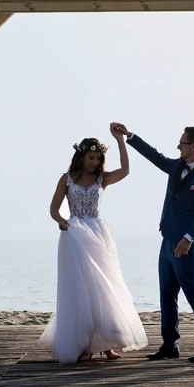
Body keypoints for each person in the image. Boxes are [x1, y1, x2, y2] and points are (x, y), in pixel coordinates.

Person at [113, 123, 194, 363]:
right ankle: (170, 345)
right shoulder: (175, 166)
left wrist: (188, 238)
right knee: (166, 294)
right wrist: (130, 136)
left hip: (186, 245)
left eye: (182, 143)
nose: (178, 146)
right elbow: (154, 156)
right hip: (167, 241)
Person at [38, 125, 148, 363]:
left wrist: (119, 140)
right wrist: (61, 221)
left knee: (104, 287)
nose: (94, 161)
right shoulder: (67, 179)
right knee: (81, 290)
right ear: (81, 156)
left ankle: (106, 344)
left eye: (98, 158)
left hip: (98, 234)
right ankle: (84, 344)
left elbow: (126, 170)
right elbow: (53, 208)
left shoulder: (102, 179)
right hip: (74, 235)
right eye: (90, 157)